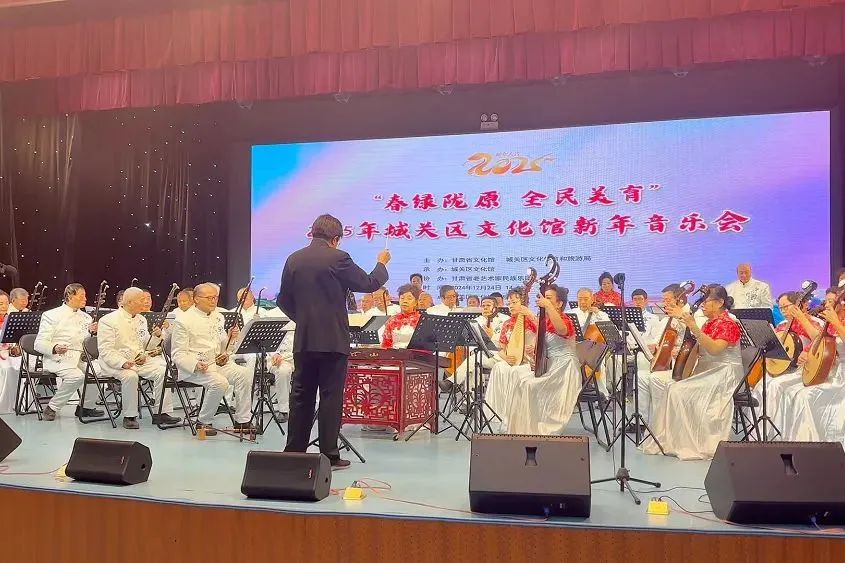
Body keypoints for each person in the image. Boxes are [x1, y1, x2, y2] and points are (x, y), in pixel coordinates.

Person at [277, 214, 390, 470]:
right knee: (330, 397)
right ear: (336, 239)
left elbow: (283, 300)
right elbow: (369, 283)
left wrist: (304, 320)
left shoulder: (293, 258)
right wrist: (381, 263)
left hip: (304, 340)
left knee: (301, 396)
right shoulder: (338, 258)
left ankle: (294, 451)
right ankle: (329, 455)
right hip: (332, 340)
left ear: (313, 232)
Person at [640, 285, 743, 460]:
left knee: (677, 390)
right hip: (709, 370)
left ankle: (691, 441)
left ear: (720, 303)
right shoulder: (710, 323)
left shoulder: (729, 324)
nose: (703, 304)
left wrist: (692, 325)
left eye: (706, 301)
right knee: (672, 387)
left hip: (724, 372)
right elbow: (698, 348)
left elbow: (714, 349)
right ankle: (676, 440)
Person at [171, 283, 255, 436]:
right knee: (220, 382)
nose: (213, 301)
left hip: (216, 364)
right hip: (195, 368)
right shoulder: (183, 320)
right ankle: (203, 421)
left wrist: (230, 339)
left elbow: (223, 346)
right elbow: (178, 354)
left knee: (244, 374)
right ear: (196, 299)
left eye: (215, 297)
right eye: (209, 298)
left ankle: (242, 421)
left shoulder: (218, 317)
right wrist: (195, 364)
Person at [96, 287, 181, 429]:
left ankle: (161, 413)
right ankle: (129, 416)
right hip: (114, 362)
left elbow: (146, 344)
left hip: (138, 360)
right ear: (130, 302)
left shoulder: (141, 319)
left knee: (162, 371)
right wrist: (122, 362)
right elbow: (106, 350)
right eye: (142, 300)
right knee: (130, 376)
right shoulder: (108, 321)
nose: (145, 302)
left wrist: (156, 336)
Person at [506, 285, 580, 435]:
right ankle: (522, 428)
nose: (544, 300)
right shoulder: (545, 320)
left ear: (559, 303)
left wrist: (547, 307)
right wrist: (534, 348)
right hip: (551, 365)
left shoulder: (564, 319)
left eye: (549, 298)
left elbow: (561, 330)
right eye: (544, 298)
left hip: (565, 368)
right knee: (519, 381)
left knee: (528, 385)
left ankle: (535, 427)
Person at [775, 297, 845, 443]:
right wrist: (808, 352)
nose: (826, 305)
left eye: (831, 302)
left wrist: (836, 322)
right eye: (827, 301)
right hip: (830, 371)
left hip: (841, 376)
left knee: (803, 396)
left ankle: (811, 443)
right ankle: (789, 441)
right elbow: (819, 341)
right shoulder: (833, 321)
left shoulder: (836, 322)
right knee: (790, 392)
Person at [36, 284, 103, 421]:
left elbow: (85, 340)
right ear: (70, 296)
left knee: (99, 371)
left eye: (85, 295)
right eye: (81, 296)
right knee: (76, 376)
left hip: (81, 358)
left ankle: (85, 407)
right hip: (59, 358)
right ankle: (52, 407)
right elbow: (39, 343)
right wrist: (54, 347)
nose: (85, 299)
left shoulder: (86, 317)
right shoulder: (51, 315)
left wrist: (92, 332)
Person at [484, 288, 539, 426]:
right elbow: (501, 349)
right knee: (498, 367)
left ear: (524, 303)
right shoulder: (507, 323)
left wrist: (534, 347)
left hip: (530, 361)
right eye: (509, 303)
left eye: (514, 302)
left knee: (515, 372)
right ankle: (498, 413)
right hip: (513, 360)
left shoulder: (533, 320)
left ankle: (515, 415)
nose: (511, 306)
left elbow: (546, 338)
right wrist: (506, 357)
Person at [381, 285, 421, 349]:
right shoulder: (392, 320)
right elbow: (386, 344)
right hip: (394, 354)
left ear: (416, 302)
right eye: (402, 298)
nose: (405, 301)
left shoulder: (421, 320)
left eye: (409, 298)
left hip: (415, 354)